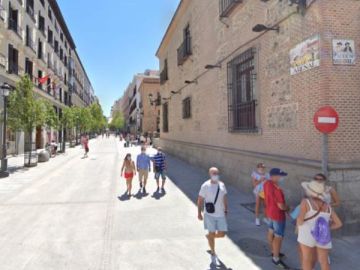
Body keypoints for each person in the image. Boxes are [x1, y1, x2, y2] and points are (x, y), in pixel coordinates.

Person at [297, 180, 342, 270]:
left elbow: (300, 221)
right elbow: (339, 224)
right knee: (324, 261)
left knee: (306, 260)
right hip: (322, 235)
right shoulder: (328, 206)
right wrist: (325, 228)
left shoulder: (306, 202)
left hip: (307, 235)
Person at [197, 167, 228, 267]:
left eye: (217, 173)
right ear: (210, 174)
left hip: (221, 214)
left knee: (222, 234)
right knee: (212, 233)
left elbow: (224, 197)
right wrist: (199, 213)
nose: (216, 174)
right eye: (214, 173)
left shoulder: (222, 184)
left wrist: (226, 208)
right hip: (209, 214)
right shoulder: (205, 185)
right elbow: (200, 200)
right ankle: (213, 252)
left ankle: (209, 237)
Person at [264, 168, 290, 269]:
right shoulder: (277, 189)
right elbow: (281, 206)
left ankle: (273, 251)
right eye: (280, 176)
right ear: (274, 176)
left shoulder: (267, 183)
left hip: (269, 212)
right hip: (278, 215)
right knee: (278, 237)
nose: (281, 177)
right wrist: (288, 208)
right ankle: (276, 258)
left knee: (271, 231)